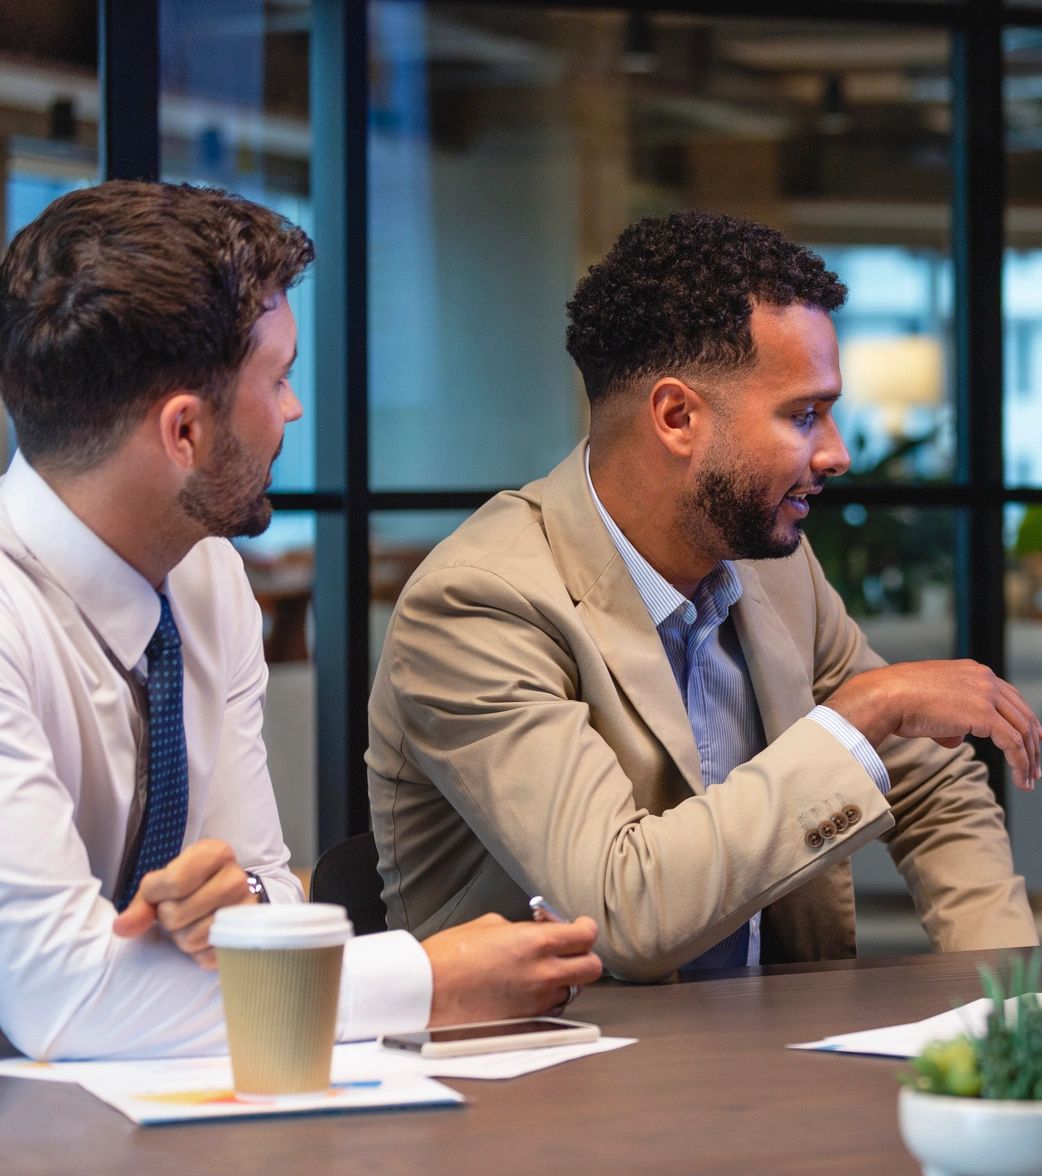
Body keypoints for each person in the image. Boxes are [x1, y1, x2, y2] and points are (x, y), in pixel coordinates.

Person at [0, 181, 603, 1061]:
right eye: (278, 378)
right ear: (184, 432)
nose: (294, 410)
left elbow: (269, 892)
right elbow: (60, 995)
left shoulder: (205, 581)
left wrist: (233, 907)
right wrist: (429, 984)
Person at [368, 212, 1041, 980]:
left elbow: (933, 784)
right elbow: (620, 913)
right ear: (677, 417)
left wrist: (1013, 1008)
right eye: (803, 414)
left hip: (762, 1056)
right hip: (559, 1074)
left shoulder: (772, 568)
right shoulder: (477, 604)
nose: (837, 452)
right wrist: (862, 712)